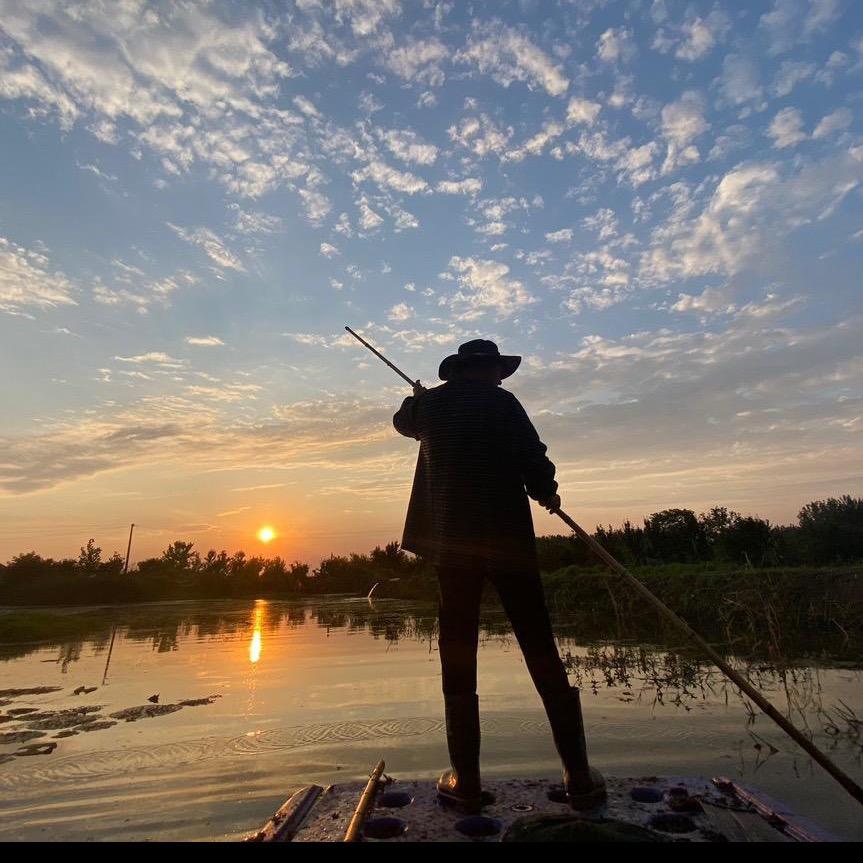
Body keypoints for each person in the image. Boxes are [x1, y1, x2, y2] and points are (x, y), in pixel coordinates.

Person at [393, 339, 606, 813]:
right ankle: (579, 779)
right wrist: (546, 491)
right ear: (489, 370)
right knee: (540, 644)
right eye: (498, 371)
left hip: (453, 549)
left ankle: (465, 783)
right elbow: (534, 457)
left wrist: (418, 396)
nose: (502, 379)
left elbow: (402, 422)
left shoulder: (429, 408)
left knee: (458, 651)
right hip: (509, 544)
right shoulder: (505, 404)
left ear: (459, 371)